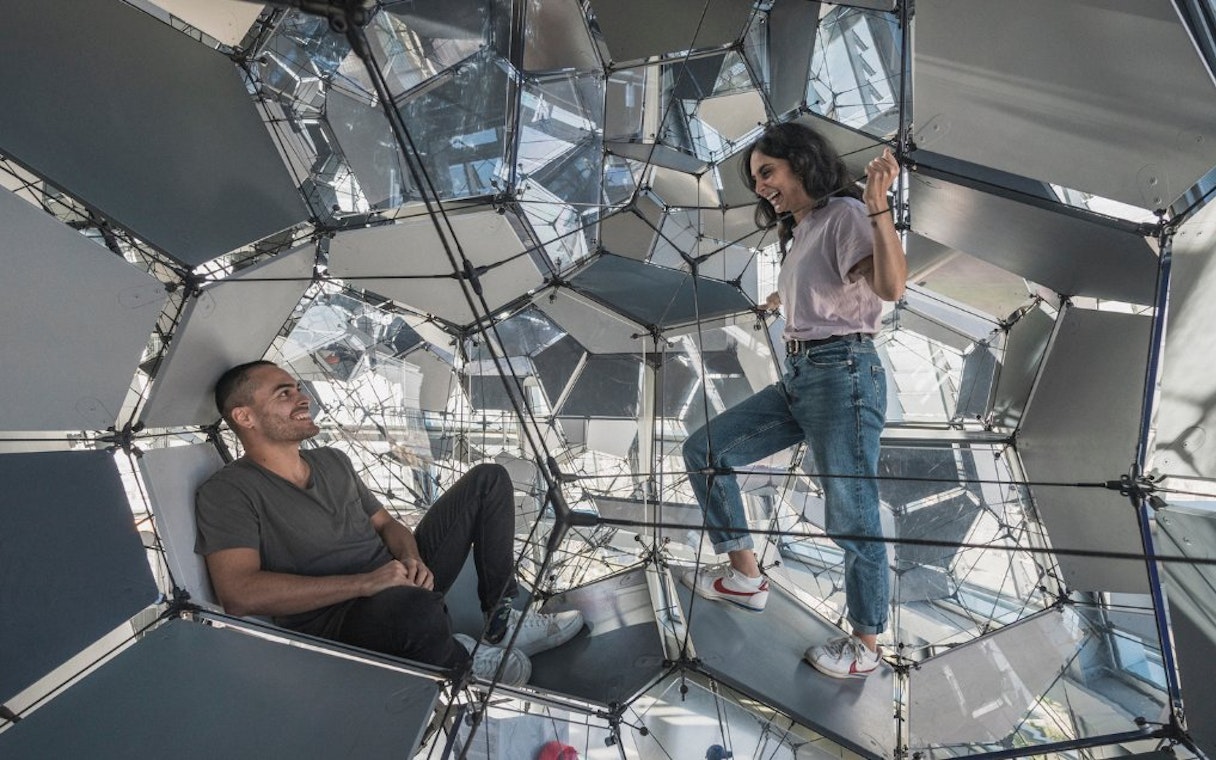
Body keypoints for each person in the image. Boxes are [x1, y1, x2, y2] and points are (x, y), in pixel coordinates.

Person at [195, 360, 585, 686]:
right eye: (284, 393)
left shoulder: (333, 460)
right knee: (414, 610)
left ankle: (497, 619)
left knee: (488, 479)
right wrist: (366, 583)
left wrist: (411, 558)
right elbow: (239, 593)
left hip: (396, 581)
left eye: (298, 388)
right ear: (244, 416)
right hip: (343, 616)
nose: (303, 398)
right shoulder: (229, 491)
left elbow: (387, 524)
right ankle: (458, 662)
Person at [681, 122, 906, 679]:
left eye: (767, 172)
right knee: (707, 450)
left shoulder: (847, 215)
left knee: (852, 514)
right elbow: (831, 281)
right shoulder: (804, 229)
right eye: (755, 177)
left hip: (843, 374)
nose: (760, 187)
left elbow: (889, 286)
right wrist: (788, 295)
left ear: (801, 163)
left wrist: (878, 207)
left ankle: (866, 646)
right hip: (804, 374)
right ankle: (745, 576)